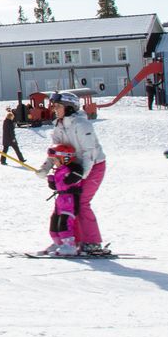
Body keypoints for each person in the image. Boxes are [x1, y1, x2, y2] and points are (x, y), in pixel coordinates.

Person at [43, 91, 109, 256]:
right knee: (66, 204)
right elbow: (56, 150)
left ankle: (92, 242)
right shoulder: (59, 125)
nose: (54, 109)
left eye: (57, 106)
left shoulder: (81, 125)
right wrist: (45, 168)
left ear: (69, 107)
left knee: (81, 203)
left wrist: (82, 174)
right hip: (73, 168)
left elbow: (89, 152)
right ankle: (68, 240)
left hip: (93, 166)